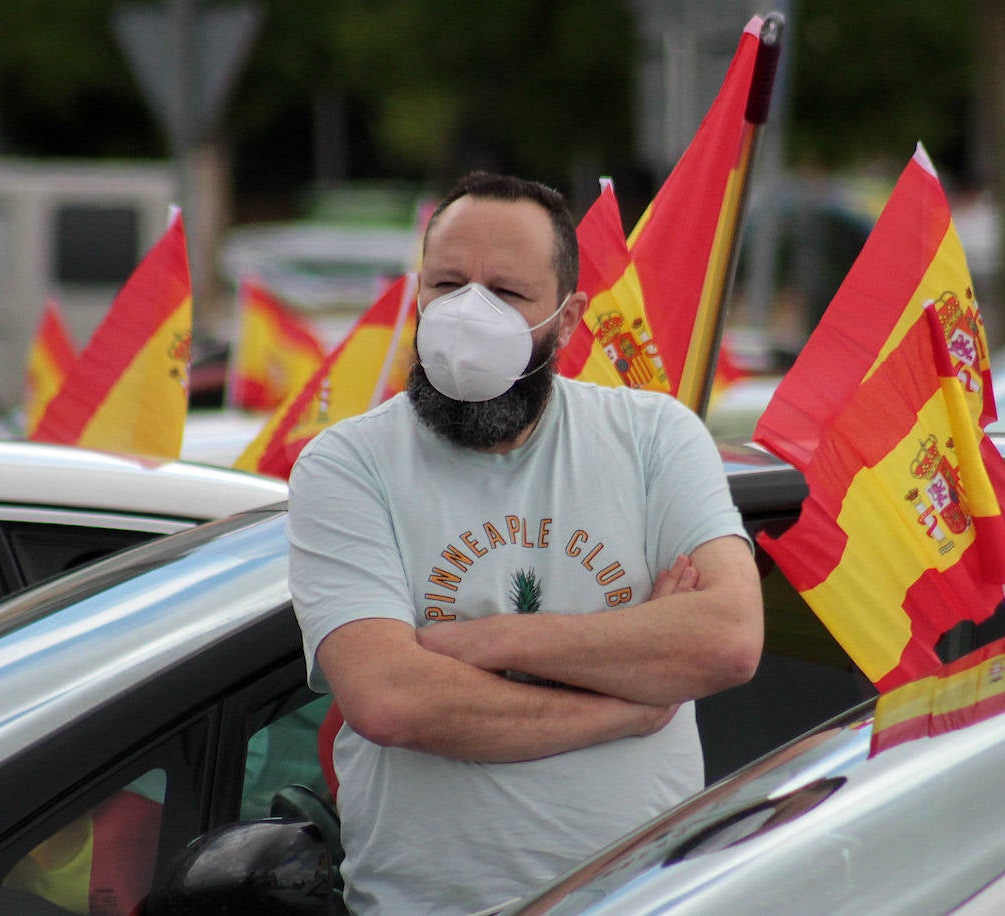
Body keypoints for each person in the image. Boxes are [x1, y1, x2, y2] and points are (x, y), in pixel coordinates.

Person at [287, 171, 764, 915]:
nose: (470, 315)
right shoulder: (348, 464)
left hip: (645, 901)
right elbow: (388, 700)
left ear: (568, 319)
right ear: (417, 294)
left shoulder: (654, 437)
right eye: (447, 284)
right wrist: (631, 703)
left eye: (507, 294)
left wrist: (482, 642)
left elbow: (728, 639)